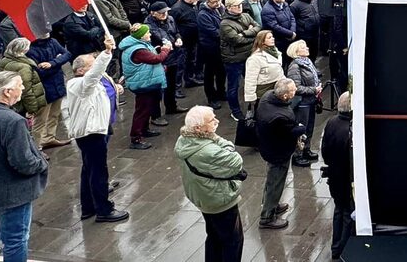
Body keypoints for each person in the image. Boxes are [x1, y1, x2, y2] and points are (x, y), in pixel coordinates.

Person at [0, 71, 49, 262]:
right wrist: (42, 162)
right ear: (7, 92)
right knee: (15, 241)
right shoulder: (13, 121)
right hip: (11, 195)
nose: (23, 88)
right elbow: (23, 162)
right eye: (20, 85)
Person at [64, 37, 129, 223]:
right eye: (92, 66)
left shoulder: (87, 82)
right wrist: (107, 52)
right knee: (99, 172)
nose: (96, 69)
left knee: (89, 171)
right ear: (81, 70)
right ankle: (103, 209)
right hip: (91, 133)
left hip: (96, 129)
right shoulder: (78, 84)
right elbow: (93, 77)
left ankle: (88, 207)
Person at [175, 105, 247, 262]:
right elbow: (236, 160)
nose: (217, 121)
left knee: (214, 236)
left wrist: (212, 136)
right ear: (199, 128)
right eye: (211, 120)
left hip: (203, 197)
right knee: (232, 241)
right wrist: (216, 138)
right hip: (219, 199)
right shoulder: (208, 151)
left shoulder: (184, 139)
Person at [254, 78, 306, 230]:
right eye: (292, 91)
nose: (295, 91)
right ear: (284, 96)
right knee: (275, 183)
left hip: (268, 146)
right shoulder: (280, 117)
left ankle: (273, 204)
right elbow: (291, 132)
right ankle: (267, 216)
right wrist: (301, 128)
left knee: (272, 179)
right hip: (278, 152)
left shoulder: (267, 97)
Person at [120, 23, 171, 150]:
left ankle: (144, 129)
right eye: (147, 33)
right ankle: (136, 137)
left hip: (147, 82)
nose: (150, 34)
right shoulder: (138, 50)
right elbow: (156, 59)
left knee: (147, 108)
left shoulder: (139, 45)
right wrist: (165, 49)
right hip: (143, 84)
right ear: (141, 36)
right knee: (142, 111)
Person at [321, 92, 355, 260]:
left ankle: (335, 246)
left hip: (334, 175)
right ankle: (343, 248)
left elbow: (324, 151)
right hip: (347, 177)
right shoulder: (351, 128)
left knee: (338, 210)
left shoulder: (331, 122)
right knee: (348, 213)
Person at [220, 0, 259, 121]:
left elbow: (258, 27)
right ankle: (235, 111)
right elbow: (237, 40)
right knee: (233, 87)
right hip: (234, 60)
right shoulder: (225, 24)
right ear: (229, 8)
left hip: (248, 56)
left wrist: (245, 33)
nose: (240, 7)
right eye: (236, 6)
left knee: (252, 82)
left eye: (240, 5)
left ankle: (255, 106)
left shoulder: (246, 16)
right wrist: (250, 33)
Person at [285, 39, 322, 167]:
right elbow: (296, 87)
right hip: (302, 103)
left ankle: (306, 149)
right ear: (296, 52)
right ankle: (298, 155)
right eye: (303, 47)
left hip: (311, 100)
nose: (307, 48)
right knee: (301, 129)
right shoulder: (294, 66)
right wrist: (314, 89)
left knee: (310, 127)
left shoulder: (308, 62)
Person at [0, 38, 47, 126]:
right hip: (22, 105)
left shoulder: (4, 61)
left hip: (11, 101)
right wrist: (32, 109)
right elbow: (27, 90)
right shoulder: (24, 67)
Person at [245, 30, 285, 110]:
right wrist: (251, 98)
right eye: (269, 38)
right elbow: (250, 80)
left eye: (272, 37)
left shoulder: (276, 52)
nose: (273, 39)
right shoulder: (255, 59)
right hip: (263, 92)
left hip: (276, 89)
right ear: (262, 41)